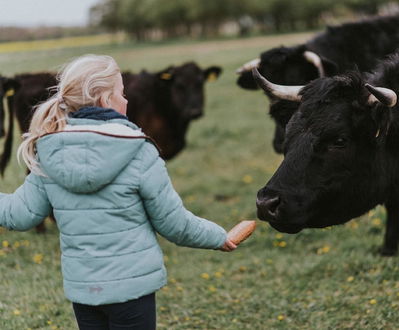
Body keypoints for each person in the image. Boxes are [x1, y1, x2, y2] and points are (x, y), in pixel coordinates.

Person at [0, 54, 237, 330]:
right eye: (121, 93)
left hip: (85, 294)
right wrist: (219, 237)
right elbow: (175, 224)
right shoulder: (139, 151)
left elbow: (18, 213)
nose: (126, 100)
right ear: (104, 99)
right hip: (132, 292)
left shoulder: (49, 154)